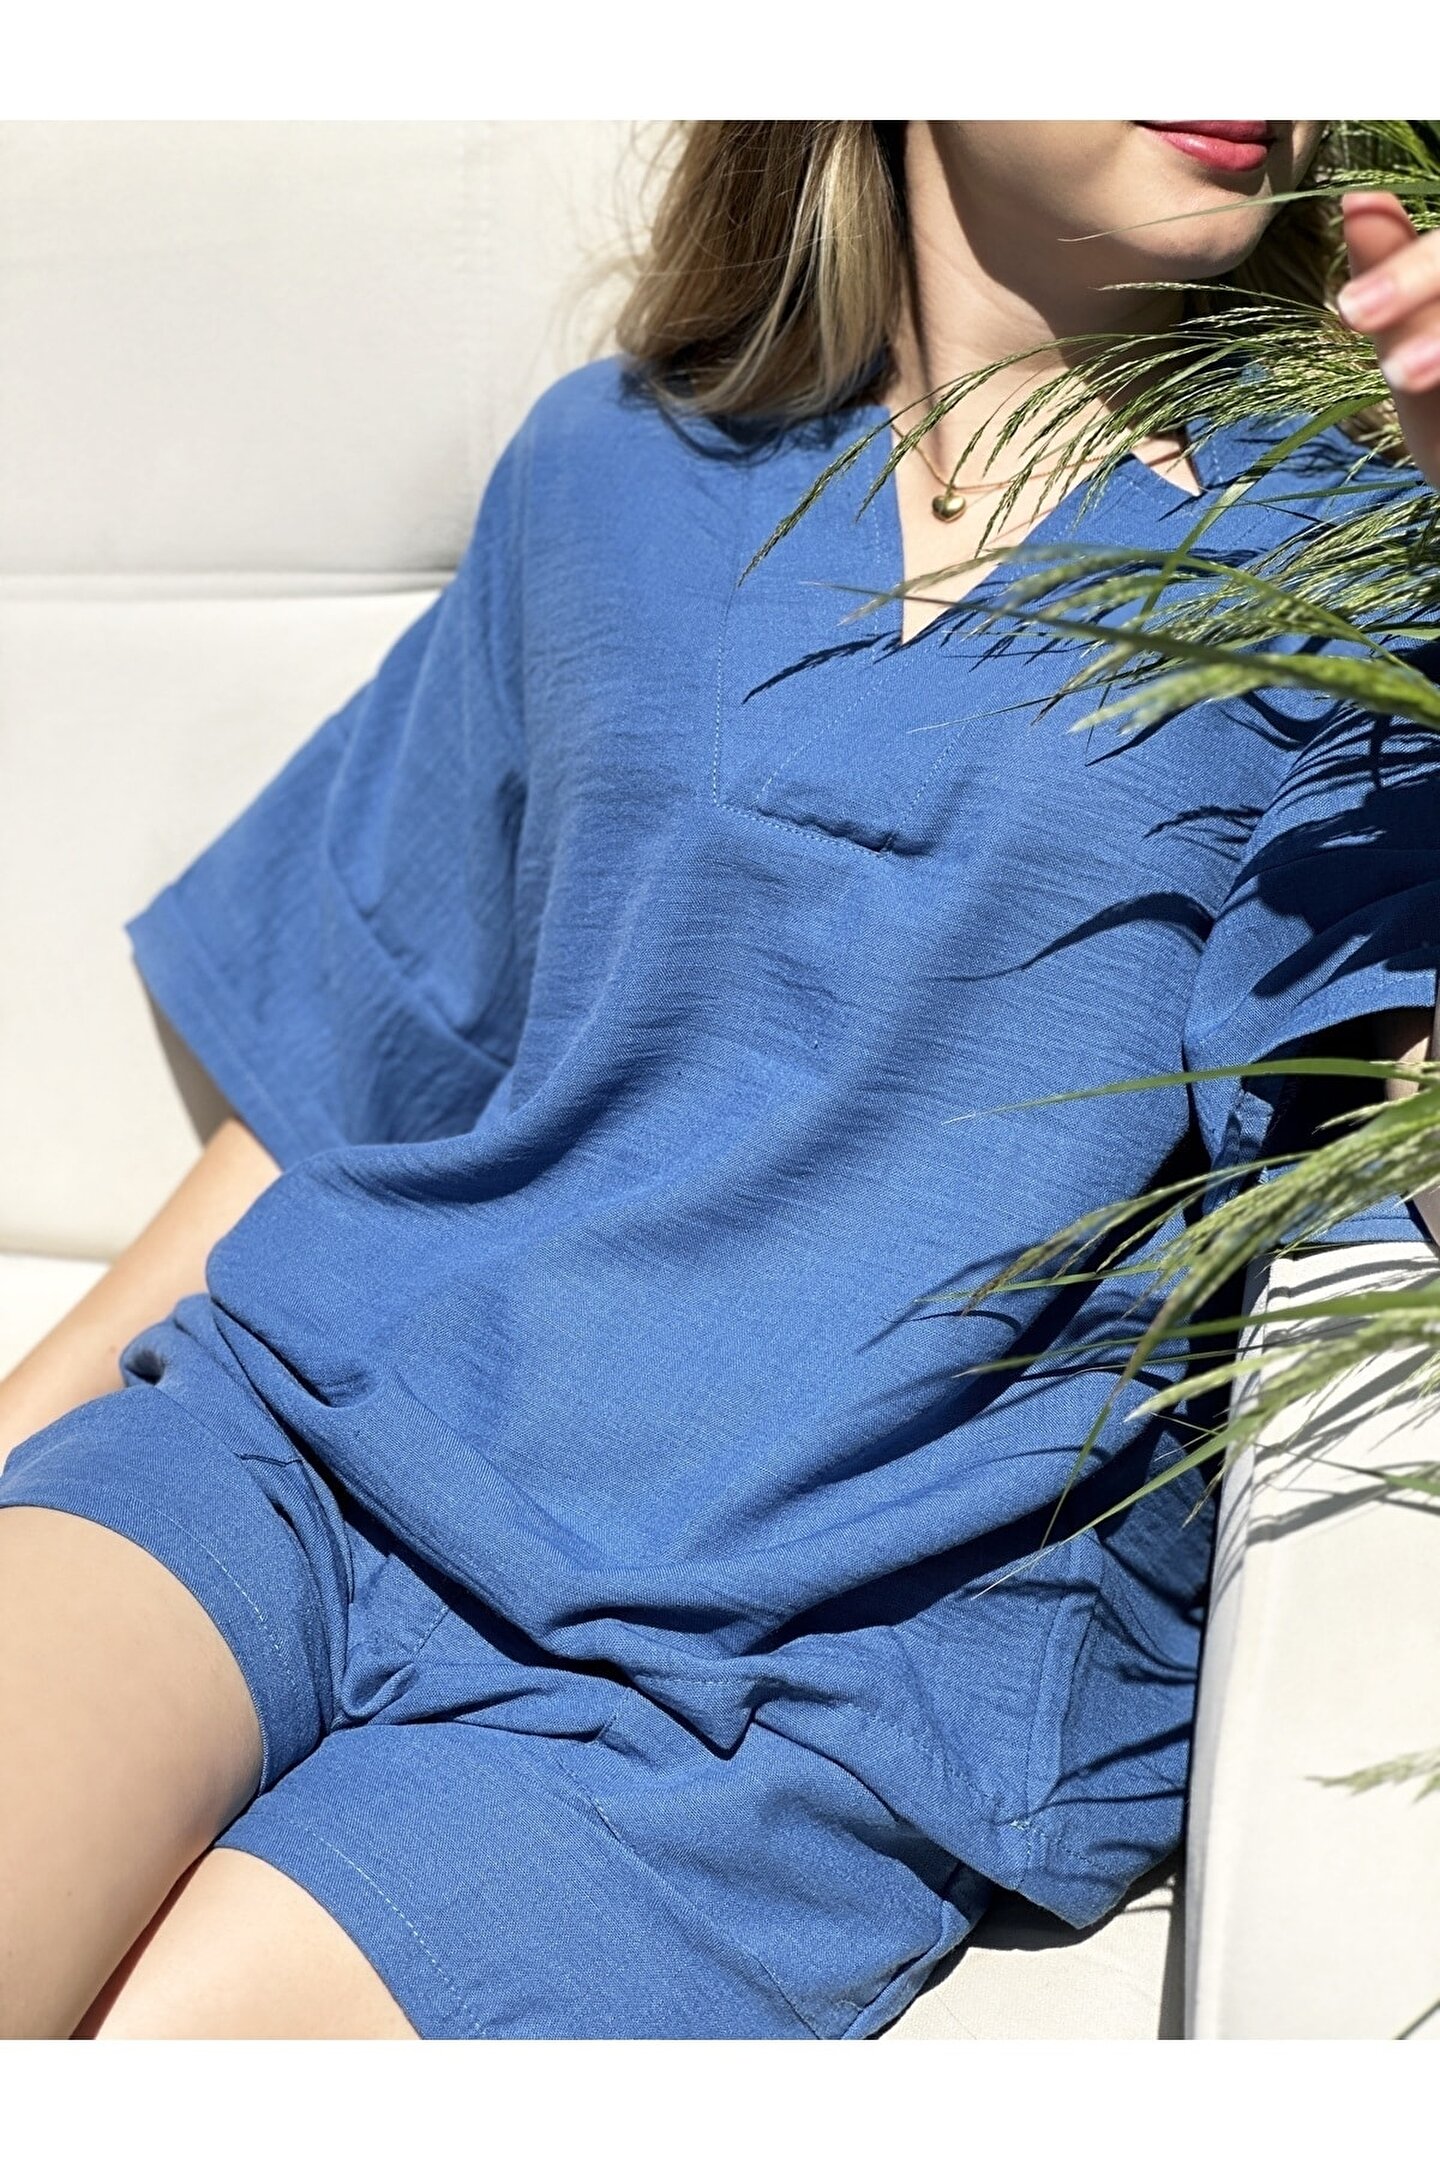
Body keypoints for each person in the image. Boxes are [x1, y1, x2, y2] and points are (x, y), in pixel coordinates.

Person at [2, 121, 1439, 2043]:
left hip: (792, 1670)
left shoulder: (1367, 552)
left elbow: (1399, 1160)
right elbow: (355, 1075)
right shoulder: (614, 462)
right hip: (303, 1450)